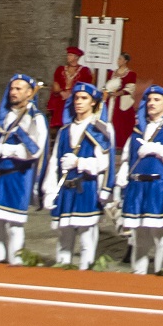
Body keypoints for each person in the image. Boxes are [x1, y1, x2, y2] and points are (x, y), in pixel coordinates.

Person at [0, 73, 49, 264]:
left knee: (15, 227)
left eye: (18, 89)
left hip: (17, 177)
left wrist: (6, 149)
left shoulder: (35, 119)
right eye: (12, 88)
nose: (13, 92)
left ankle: (16, 271)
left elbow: (36, 150)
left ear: (30, 92)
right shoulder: (0, 118)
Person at [42, 83, 115, 270]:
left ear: (93, 103)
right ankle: (62, 272)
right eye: (76, 98)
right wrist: (50, 191)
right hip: (66, 190)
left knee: (86, 239)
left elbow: (104, 164)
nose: (79, 102)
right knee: (64, 237)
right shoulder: (64, 131)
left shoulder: (100, 129)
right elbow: (53, 162)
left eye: (84, 98)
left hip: (87, 189)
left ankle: (85, 276)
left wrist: (79, 163)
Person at [48, 47, 93, 126]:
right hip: (61, 98)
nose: (68, 57)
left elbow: (85, 87)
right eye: (68, 55)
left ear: (76, 57)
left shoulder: (85, 71)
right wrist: (62, 92)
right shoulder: (60, 69)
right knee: (58, 124)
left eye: (70, 55)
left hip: (74, 99)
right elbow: (55, 83)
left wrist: (71, 94)